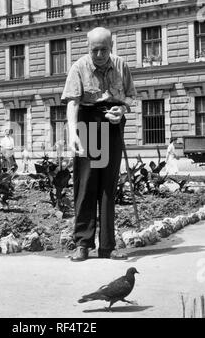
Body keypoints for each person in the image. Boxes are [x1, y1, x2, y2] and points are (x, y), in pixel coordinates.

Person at [61, 27, 136, 262]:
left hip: (113, 123)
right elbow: (72, 103)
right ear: (88, 48)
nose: (100, 54)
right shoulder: (79, 67)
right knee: (85, 184)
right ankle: (83, 243)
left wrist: (122, 108)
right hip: (88, 124)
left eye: (104, 49)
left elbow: (131, 96)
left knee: (108, 186)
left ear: (111, 46)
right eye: (95, 50)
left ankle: (107, 247)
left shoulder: (121, 65)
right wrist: (73, 133)